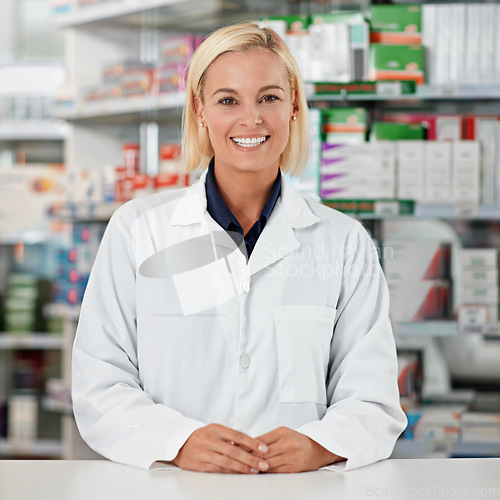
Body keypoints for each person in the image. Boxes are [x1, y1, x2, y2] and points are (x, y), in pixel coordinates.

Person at [72, 22, 407, 474]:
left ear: (292, 108)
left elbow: (373, 398)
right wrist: (178, 441)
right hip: (175, 486)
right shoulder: (137, 230)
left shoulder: (344, 242)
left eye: (269, 97)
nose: (251, 119)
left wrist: (320, 444)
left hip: (297, 489)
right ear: (200, 111)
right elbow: (99, 382)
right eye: (228, 100)